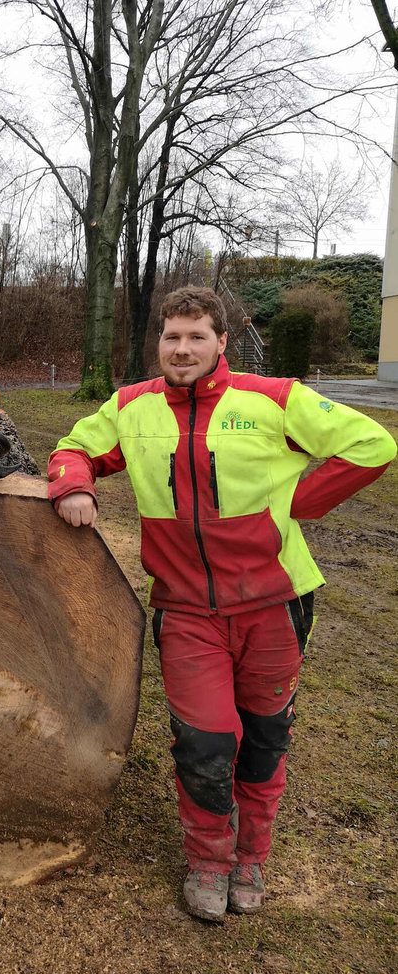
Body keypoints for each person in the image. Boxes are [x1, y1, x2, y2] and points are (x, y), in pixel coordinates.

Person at [47, 285, 396, 923]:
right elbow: (73, 447)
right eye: (172, 337)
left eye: (196, 337)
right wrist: (75, 485)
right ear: (160, 342)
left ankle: (252, 855)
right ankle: (209, 859)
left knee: (264, 736)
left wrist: (302, 503)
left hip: (276, 605)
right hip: (185, 611)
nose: (182, 349)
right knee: (204, 742)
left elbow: (372, 444)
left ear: (222, 342)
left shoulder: (273, 400)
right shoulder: (132, 408)